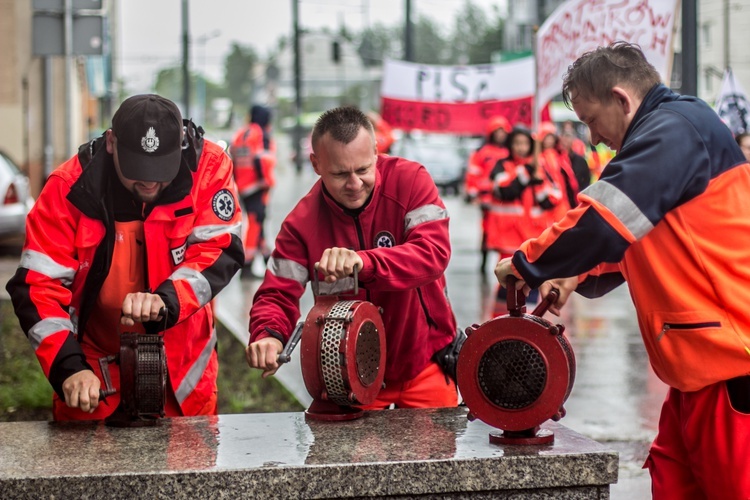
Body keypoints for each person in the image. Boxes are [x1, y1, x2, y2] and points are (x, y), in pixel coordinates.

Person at [494, 42, 750, 498]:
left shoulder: (674, 129)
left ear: (621, 99)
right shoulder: (676, 128)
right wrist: (576, 273)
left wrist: (526, 262)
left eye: (591, 120)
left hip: (730, 369)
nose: (592, 138)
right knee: (672, 483)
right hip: (699, 367)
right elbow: (650, 237)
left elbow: (605, 220)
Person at [5, 94, 244, 421]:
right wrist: (68, 367)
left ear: (181, 146)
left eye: (161, 170)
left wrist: (167, 300)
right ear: (111, 143)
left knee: (189, 470)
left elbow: (219, 247)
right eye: (138, 169)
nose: (149, 182)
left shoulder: (209, 167)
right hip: (92, 370)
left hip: (182, 374)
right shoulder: (69, 188)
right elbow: (37, 286)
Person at [245, 106, 459, 409]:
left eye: (362, 170)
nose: (355, 184)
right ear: (316, 164)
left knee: (441, 454)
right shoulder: (301, 225)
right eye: (340, 174)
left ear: (375, 152)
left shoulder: (411, 181)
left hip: (424, 364)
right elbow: (277, 294)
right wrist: (269, 335)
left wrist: (365, 262)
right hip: (348, 377)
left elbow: (433, 254)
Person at [485, 125, 560, 312]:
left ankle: (531, 323)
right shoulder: (503, 165)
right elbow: (504, 190)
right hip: (508, 235)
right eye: (517, 143)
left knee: (531, 280)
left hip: (533, 236)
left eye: (525, 143)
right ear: (510, 144)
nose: (521, 147)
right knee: (508, 281)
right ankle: (501, 323)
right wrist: (525, 173)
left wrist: (539, 181)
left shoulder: (540, 167)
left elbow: (552, 199)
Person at [230, 104, 277, 278]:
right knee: (256, 222)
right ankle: (248, 264)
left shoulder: (240, 134)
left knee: (259, 222)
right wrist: (265, 180)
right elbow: (261, 159)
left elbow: (233, 160)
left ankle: (268, 259)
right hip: (257, 186)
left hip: (243, 186)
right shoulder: (260, 134)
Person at [464, 115, 511, 275]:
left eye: (503, 131)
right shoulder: (483, 152)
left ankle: (502, 261)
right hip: (487, 200)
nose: (500, 135)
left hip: (504, 200)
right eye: (497, 131)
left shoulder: (509, 151)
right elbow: (473, 173)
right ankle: (484, 262)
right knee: (486, 231)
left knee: (504, 232)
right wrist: (473, 191)